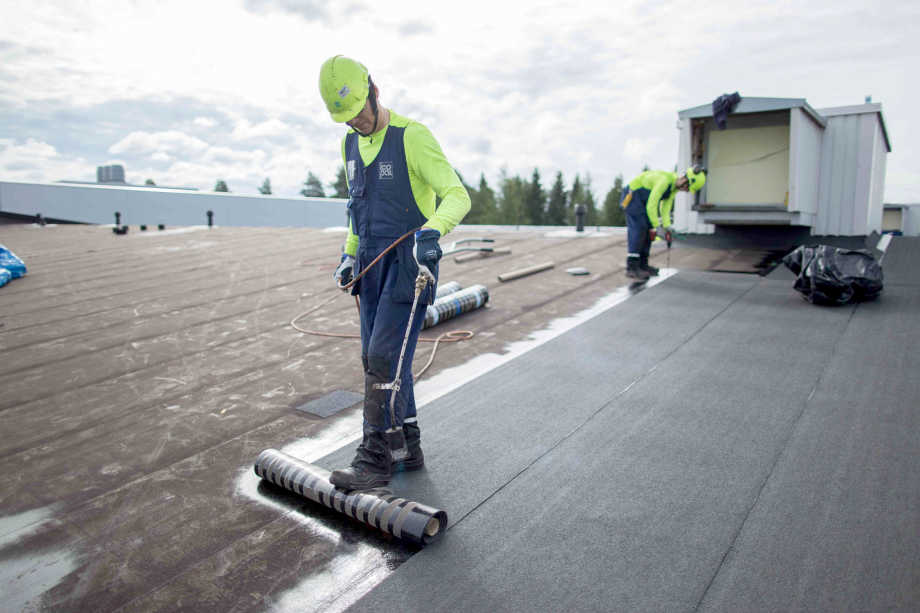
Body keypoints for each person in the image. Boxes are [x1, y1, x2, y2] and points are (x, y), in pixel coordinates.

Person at [318, 55, 471, 490]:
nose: (355, 124)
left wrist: (433, 231)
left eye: (358, 113)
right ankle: (406, 445)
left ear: (375, 91)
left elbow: (457, 195)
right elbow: (356, 208)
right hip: (369, 265)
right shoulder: (349, 145)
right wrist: (349, 256)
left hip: (409, 264)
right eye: (345, 119)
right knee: (381, 359)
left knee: (384, 357)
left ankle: (374, 458)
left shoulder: (412, 137)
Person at [620, 165, 706, 279]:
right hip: (632, 196)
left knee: (649, 230)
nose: (686, 190)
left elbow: (665, 207)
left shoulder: (673, 188)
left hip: (643, 202)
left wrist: (667, 227)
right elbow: (652, 204)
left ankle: (643, 265)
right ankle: (631, 267)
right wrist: (657, 226)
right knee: (639, 228)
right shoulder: (664, 181)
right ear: (685, 180)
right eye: (687, 187)